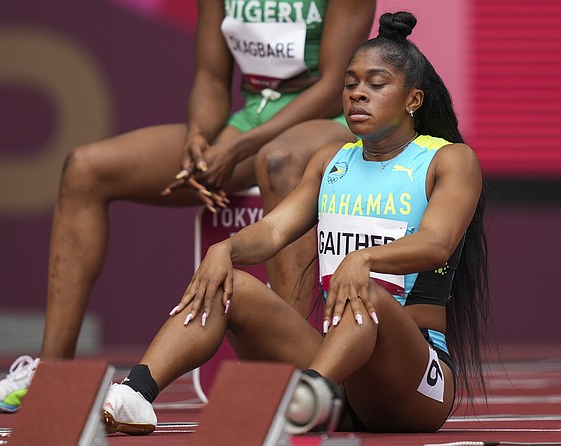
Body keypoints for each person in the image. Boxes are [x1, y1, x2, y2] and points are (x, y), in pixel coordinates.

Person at [0, 0, 377, 413]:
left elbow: (330, 86)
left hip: (327, 123)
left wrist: (239, 147)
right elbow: (211, 77)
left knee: (279, 160)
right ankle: (50, 373)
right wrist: (200, 137)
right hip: (249, 121)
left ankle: (300, 378)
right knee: (84, 169)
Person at [100, 11, 492, 436]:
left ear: (413, 100)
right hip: (338, 368)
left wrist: (361, 260)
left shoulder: (448, 160)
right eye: (350, 84)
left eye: (376, 85)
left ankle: (307, 396)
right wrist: (224, 249)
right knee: (231, 283)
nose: (358, 95)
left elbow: (437, 243)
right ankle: (134, 394)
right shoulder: (330, 161)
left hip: (414, 382)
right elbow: (273, 231)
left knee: (368, 292)